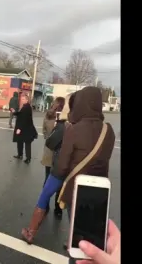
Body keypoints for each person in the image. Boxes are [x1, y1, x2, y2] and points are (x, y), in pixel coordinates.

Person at [54, 87, 116, 256]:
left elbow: (62, 167)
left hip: (77, 186)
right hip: (100, 188)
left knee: (76, 225)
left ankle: (74, 245)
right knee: (93, 226)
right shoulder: (108, 130)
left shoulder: (73, 130)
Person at [20, 93, 75, 244]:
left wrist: (54, 130)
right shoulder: (88, 126)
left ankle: (31, 232)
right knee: (71, 201)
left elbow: (50, 141)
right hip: (76, 168)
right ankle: (73, 238)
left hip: (58, 163)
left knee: (46, 191)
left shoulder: (64, 124)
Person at [41, 96, 66, 217]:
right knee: (60, 182)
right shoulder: (66, 118)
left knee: (47, 179)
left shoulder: (48, 115)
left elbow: (44, 131)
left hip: (49, 151)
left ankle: (44, 206)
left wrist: (49, 139)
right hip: (61, 153)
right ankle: (58, 209)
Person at [12, 94, 38, 163]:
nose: (22, 100)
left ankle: (28, 158)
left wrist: (19, 128)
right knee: (20, 141)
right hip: (24, 128)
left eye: (23, 99)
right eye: (21, 99)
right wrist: (14, 112)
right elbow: (20, 114)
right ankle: (20, 154)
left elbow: (24, 119)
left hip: (26, 129)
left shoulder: (27, 107)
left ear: (27, 100)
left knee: (27, 143)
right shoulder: (25, 106)